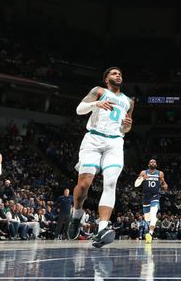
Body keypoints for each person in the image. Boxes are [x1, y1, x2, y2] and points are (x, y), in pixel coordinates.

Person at [68, 67, 134, 248]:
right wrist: (95, 104)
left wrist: (127, 126)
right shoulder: (98, 91)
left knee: (110, 183)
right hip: (93, 139)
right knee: (84, 184)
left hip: (115, 143)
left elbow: (125, 128)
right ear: (106, 79)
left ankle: (102, 228)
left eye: (120, 73)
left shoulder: (128, 101)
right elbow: (79, 110)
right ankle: (77, 215)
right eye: (114, 73)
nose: (118, 75)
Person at [134, 159, 168, 243]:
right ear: (148, 164)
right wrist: (142, 178)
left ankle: (150, 233)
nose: (153, 163)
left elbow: (165, 186)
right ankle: (153, 222)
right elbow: (136, 184)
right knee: (147, 218)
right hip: (146, 198)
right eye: (151, 162)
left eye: (154, 162)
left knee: (153, 214)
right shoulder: (143, 172)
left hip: (155, 197)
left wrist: (163, 183)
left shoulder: (160, 173)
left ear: (156, 164)